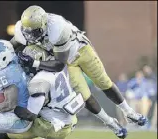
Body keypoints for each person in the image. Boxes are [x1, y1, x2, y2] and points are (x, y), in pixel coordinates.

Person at [11, 5, 147, 129]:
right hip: (67, 64)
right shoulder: (23, 30)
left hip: (80, 51)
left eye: (34, 31)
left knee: (103, 82)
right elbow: (9, 47)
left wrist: (33, 63)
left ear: (44, 24)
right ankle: (110, 122)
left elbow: (58, 65)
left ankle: (128, 112)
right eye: (27, 31)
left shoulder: (57, 28)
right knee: (84, 96)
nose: (30, 35)